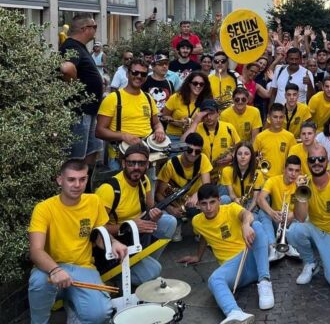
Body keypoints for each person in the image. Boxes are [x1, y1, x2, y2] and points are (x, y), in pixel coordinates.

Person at [28, 160, 128, 324]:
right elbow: (36, 250)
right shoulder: (44, 208)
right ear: (60, 180)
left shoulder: (94, 201)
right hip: (52, 267)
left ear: (87, 179)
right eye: (71, 179)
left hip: (83, 266)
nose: (77, 184)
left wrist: (113, 243)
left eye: (82, 179)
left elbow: (99, 235)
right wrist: (55, 270)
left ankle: (74, 307)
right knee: (38, 282)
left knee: (100, 314)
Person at [177, 184, 274, 322]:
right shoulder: (197, 221)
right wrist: (198, 256)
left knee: (257, 226)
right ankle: (235, 313)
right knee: (214, 280)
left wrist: (246, 225)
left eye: (212, 202)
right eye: (204, 204)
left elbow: (247, 214)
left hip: (250, 257)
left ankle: (265, 281)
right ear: (198, 205)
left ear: (219, 201)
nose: (209, 208)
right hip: (233, 270)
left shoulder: (231, 208)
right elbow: (204, 236)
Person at [95, 144, 177, 284]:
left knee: (169, 222)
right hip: (114, 242)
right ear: (123, 163)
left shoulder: (144, 181)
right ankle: (119, 276)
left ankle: (141, 263)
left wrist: (154, 215)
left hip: (135, 234)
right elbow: (97, 230)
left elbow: (150, 208)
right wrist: (130, 225)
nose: (136, 167)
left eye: (141, 163)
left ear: (147, 165)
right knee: (154, 271)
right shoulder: (109, 189)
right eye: (131, 163)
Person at [286, 146, 330, 286]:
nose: (316, 162)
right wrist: (300, 192)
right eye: (312, 159)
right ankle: (310, 263)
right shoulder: (305, 183)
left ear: (327, 161)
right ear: (307, 163)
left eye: (321, 159)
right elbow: (300, 218)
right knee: (293, 231)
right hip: (315, 230)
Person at [96, 58, 166, 171]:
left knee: (147, 187)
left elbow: (156, 123)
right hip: (120, 156)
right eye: (135, 72)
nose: (139, 76)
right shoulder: (113, 98)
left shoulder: (148, 98)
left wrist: (159, 130)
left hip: (146, 153)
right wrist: (123, 136)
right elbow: (99, 131)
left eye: (143, 74)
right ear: (128, 74)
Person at [60, 15, 104, 183]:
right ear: (84, 29)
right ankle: (72, 190)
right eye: (95, 26)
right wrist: (75, 86)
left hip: (90, 111)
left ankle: (86, 188)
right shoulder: (71, 46)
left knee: (93, 150)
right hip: (79, 111)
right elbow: (66, 67)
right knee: (76, 157)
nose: (95, 30)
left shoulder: (80, 47)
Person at [156, 132, 213, 240]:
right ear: (183, 148)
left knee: (208, 198)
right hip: (176, 202)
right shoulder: (170, 165)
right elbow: (159, 194)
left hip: (194, 200)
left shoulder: (203, 159)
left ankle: (203, 229)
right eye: (190, 150)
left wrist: (197, 195)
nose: (193, 154)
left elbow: (207, 186)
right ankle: (178, 224)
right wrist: (170, 208)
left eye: (197, 151)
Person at [184, 99, 241, 196]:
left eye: (212, 113)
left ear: (218, 113)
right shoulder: (196, 128)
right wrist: (196, 121)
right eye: (205, 114)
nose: (209, 117)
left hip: (222, 177)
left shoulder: (229, 127)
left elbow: (239, 147)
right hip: (201, 176)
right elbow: (183, 143)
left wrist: (231, 157)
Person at [256, 155, 302, 262]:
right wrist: (272, 213)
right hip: (276, 219)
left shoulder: (301, 184)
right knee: (263, 212)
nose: (293, 174)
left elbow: (306, 209)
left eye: (297, 171)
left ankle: (291, 245)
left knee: (303, 220)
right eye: (290, 170)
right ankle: (273, 248)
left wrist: (293, 214)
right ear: (284, 169)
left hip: (292, 220)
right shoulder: (273, 180)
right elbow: (260, 199)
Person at [161, 71, 213, 143]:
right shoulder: (176, 97)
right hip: (174, 137)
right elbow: (165, 116)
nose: (198, 86)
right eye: (195, 83)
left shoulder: (207, 101)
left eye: (201, 84)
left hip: (197, 137)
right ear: (189, 84)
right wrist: (178, 123)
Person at [253, 103, 296, 178]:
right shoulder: (260, 137)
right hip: (264, 179)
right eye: (275, 117)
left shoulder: (290, 137)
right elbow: (253, 157)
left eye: (281, 117)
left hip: (282, 179)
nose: (278, 120)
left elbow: (293, 160)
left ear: (284, 118)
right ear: (269, 117)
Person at [220, 141, 265, 210]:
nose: (243, 157)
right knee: (224, 199)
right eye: (239, 154)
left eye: (246, 154)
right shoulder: (227, 170)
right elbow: (231, 193)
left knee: (256, 219)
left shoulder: (258, 173)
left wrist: (247, 213)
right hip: (234, 201)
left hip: (250, 203)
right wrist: (235, 200)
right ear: (235, 156)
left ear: (251, 156)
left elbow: (255, 198)